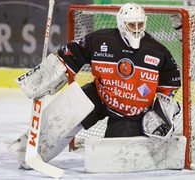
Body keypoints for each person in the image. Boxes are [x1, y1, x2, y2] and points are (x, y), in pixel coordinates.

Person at [10, 2, 181, 169]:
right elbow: (71, 53)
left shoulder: (157, 51)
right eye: (131, 25)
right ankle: (29, 152)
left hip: (132, 112)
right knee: (65, 113)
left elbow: (171, 81)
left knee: (110, 158)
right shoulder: (101, 40)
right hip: (100, 95)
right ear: (122, 24)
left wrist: (161, 109)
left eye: (140, 24)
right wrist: (47, 75)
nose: (136, 29)